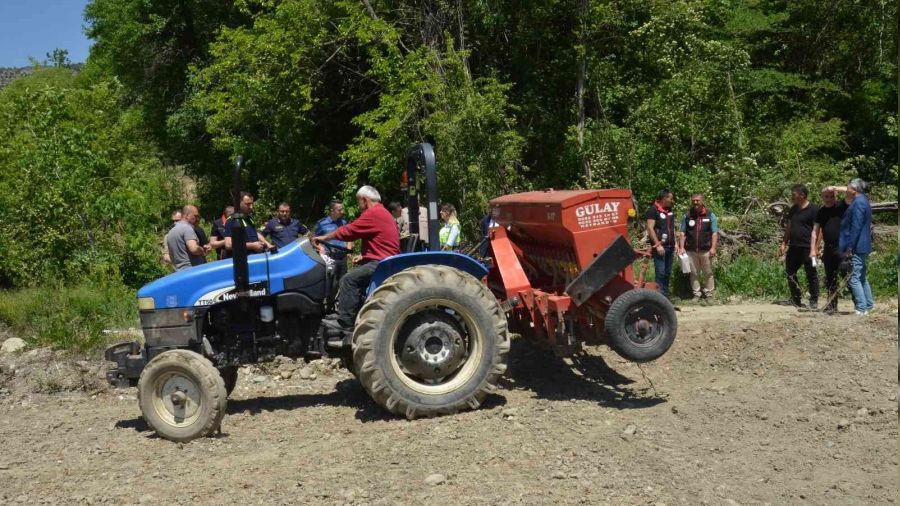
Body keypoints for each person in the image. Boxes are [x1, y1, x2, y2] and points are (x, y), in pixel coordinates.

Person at [315, 186, 400, 340]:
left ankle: (345, 322)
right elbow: (380, 241)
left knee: (348, 280)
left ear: (365, 200)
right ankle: (349, 314)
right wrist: (364, 256)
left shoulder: (373, 213)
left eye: (358, 202)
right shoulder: (382, 212)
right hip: (381, 259)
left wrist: (324, 238)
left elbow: (349, 231)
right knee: (354, 279)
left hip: (381, 263)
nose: (358, 206)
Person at [836, 179, 874, 315]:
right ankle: (869, 305)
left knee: (854, 277)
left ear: (854, 190)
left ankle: (861, 308)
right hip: (862, 245)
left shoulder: (858, 203)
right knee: (861, 276)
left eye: (847, 188)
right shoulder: (863, 200)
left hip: (857, 246)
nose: (846, 190)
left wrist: (850, 247)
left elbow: (856, 226)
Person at [780, 184, 819, 309]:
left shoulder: (814, 209)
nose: (792, 197)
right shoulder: (793, 209)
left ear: (802, 195)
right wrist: (784, 242)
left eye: (794, 194)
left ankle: (814, 299)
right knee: (790, 272)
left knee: (811, 273)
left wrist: (816, 247)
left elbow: (819, 229)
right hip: (794, 246)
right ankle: (796, 298)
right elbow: (789, 227)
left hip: (808, 247)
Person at [812, 188, 848, 314]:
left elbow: (854, 192)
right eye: (826, 196)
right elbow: (816, 231)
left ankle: (860, 304)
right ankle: (832, 305)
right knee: (830, 278)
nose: (829, 199)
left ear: (836, 196)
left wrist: (835, 187)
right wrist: (814, 248)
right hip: (828, 248)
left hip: (842, 246)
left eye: (832, 196)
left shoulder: (842, 206)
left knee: (847, 274)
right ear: (822, 197)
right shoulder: (821, 211)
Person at [677, 193, 718, 301]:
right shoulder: (687, 216)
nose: (695, 202)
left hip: (706, 250)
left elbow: (714, 233)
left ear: (702, 201)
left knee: (708, 273)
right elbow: (682, 232)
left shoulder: (710, 215)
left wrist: (713, 248)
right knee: (694, 273)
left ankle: (709, 294)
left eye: (697, 200)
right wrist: (681, 247)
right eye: (693, 200)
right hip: (691, 250)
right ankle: (696, 294)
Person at [645, 189, 676, 298]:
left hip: (670, 246)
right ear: (664, 198)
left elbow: (672, 228)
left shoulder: (670, 209)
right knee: (661, 273)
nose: (672, 201)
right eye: (670, 198)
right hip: (660, 247)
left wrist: (676, 243)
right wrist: (658, 245)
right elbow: (650, 228)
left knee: (667, 273)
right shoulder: (653, 210)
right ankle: (659, 297)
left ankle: (665, 296)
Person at [315, 200, 351, 291]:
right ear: (332, 210)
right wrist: (320, 247)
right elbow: (314, 240)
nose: (342, 212)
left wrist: (349, 248)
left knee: (343, 282)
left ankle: (340, 299)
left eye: (342, 209)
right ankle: (328, 300)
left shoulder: (344, 222)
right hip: (329, 258)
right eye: (339, 210)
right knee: (330, 284)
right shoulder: (322, 223)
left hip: (342, 257)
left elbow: (350, 236)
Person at [165, 205, 210, 271]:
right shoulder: (187, 228)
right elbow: (194, 249)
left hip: (179, 272)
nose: (198, 219)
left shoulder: (170, 232)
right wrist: (203, 250)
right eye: (195, 216)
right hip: (193, 270)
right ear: (187, 216)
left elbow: (171, 255)